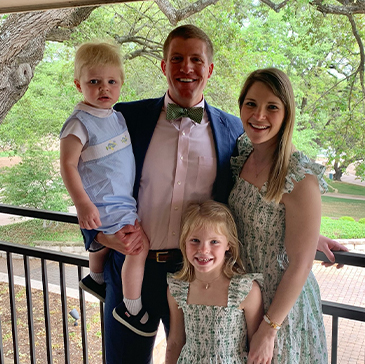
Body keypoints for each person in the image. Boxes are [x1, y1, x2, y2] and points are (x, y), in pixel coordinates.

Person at [81, 26, 346, 363]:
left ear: (210, 69)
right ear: (163, 66)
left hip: (202, 274)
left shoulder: (236, 132)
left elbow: (264, 198)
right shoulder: (125, 119)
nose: (186, 67)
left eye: (196, 59)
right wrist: (99, 235)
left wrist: (308, 235)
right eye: (176, 58)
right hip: (134, 268)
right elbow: (88, 178)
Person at [228, 68, 329, 363]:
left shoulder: (299, 175)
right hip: (244, 297)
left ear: (286, 113)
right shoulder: (243, 153)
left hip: (281, 309)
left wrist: (269, 329)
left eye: (272, 107)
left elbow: (301, 263)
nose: (259, 115)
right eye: (251, 104)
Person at [59, 41, 154, 337]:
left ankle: (95, 278)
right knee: (138, 249)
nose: (104, 88)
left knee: (102, 244)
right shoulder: (79, 123)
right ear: (78, 85)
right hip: (104, 202)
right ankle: (131, 306)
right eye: (94, 82)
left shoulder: (117, 117)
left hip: (120, 200)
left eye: (112, 81)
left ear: (121, 84)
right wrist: (83, 204)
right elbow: (67, 165)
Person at [165, 200, 264, 364]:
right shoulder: (178, 289)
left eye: (214, 242)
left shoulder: (245, 290)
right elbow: (175, 341)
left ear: (229, 245)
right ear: (184, 242)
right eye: (195, 240)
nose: (203, 250)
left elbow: (256, 345)